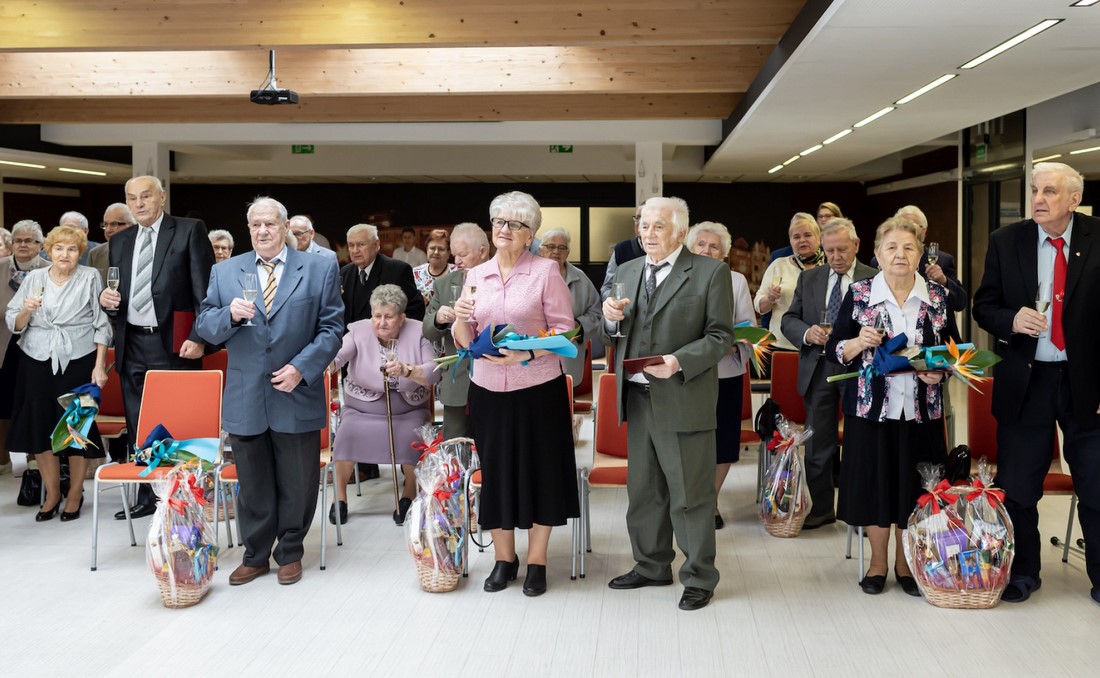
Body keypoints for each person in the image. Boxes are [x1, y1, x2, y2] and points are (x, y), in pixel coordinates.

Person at [195, 196, 343, 587]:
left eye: (270, 224)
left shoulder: (318, 268)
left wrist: (301, 368)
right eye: (255, 225)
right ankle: (256, 555)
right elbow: (205, 325)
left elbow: (332, 330)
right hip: (246, 393)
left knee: (298, 480)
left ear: (285, 227)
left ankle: (290, 551)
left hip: (295, 390)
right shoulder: (225, 271)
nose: (262, 231)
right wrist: (228, 315)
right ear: (248, 229)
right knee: (253, 482)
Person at [973, 161, 1100, 606]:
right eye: (1034, 190)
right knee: (1020, 487)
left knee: (1096, 483)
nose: (1038, 199)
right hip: (1028, 382)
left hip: (1087, 383)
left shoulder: (1098, 237)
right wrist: (1012, 320)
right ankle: (1024, 572)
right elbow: (983, 306)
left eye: (1050, 191)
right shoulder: (1006, 241)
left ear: (1074, 199)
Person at [602, 196, 734, 611]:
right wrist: (610, 319)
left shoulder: (711, 272)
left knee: (690, 495)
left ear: (680, 232)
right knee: (644, 492)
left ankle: (699, 576)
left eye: (658, 226)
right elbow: (613, 334)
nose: (648, 233)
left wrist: (678, 361)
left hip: (683, 396)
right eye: (644, 225)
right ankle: (651, 565)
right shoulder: (626, 270)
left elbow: (720, 337)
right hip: (637, 398)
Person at [452, 191, 579, 597]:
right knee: (497, 473)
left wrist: (527, 353)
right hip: (488, 390)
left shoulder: (546, 272)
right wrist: (460, 320)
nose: (504, 229)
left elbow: (566, 331)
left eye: (516, 224)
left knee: (542, 471)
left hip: (539, 390)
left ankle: (537, 560)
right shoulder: (476, 275)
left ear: (530, 234)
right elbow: (464, 340)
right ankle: (504, 559)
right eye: (499, 222)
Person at [825, 217, 957, 596]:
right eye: (892, 248)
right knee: (875, 485)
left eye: (908, 248)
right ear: (878, 254)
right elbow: (834, 348)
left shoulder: (937, 297)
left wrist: (939, 372)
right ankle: (878, 563)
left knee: (913, 487)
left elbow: (953, 351)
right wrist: (858, 343)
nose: (900, 254)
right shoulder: (860, 293)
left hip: (922, 411)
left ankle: (906, 563)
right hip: (871, 410)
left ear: (920, 254)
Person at [98, 175, 214, 520]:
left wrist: (199, 336)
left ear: (162, 197)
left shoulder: (189, 231)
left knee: (179, 420)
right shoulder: (120, 240)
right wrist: (108, 302)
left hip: (176, 343)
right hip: (132, 341)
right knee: (139, 421)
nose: (139, 204)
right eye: (132, 198)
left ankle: (184, 495)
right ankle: (148, 494)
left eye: (146, 196)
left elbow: (205, 291)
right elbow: (118, 293)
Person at [5, 225, 111, 521]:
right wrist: (26, 311)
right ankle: (52, 494)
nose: (65, 254)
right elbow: (14, 321)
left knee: (75, 431)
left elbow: (102, 323)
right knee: (39, 428)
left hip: (79, 358)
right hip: (35, 359)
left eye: (72, 249)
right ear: (49, 251)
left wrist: (99, 366)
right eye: (59, 248)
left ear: (81, 252)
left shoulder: (90, 276)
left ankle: (75, 493)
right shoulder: (34, 278)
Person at [781, 218, 876, 529]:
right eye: (830, 250)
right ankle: (821, 509)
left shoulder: (875, 278)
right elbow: (789, 319)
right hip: (819, 366)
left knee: (861, 444)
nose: (836, 257)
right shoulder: (810, 278)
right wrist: (807, 333)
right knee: (818, 443)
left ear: (857, 245)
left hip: (859, 369)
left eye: (842, 250)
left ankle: (862, 513)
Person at [329, 284, 440, 525]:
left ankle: (408, 493)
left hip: (408, 409)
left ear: (402, 317)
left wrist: (407, 370)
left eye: (389, 316)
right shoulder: (358, 331)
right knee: (347, 432)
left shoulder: (418, 332)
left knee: (411, 435)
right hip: (361, 409)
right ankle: (340, 497)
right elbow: (337, 356)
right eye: (376, 316)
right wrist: (327, 363)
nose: (381, 322)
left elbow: (434, 370)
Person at [685, 221, 754, 530]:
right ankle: (689, 499)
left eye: (714, 246)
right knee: (690, 439)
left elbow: (749, 329)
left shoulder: (736, 281)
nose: (707, 250)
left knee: (723, 441)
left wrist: (733, 345)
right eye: (701, 244)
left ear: (724, 253)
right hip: (686, 374)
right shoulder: (678, 278)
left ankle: (710, 502)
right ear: (690, 248)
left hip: (725, 373)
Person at [423, 223, 491, 439]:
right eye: (454, 255)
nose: (457, 261)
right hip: (457, 379)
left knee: (493, 442)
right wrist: (438, 319)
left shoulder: (502, 280)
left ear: (483, 251)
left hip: (496, 377)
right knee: (454, 444)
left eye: (462, 255)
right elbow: (427, 329)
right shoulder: (444, 284)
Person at [1, 220, 48, 474]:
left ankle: (35, 456)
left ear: (40, 245)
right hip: (3, 341)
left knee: (35, 399)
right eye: (18, 240)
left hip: (38, 344)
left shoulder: (50, 269)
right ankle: (2, 458)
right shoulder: (0, 267)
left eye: (29, 240)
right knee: (3, 399)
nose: (23, 245)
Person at [870, 205, 968, 313]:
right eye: (900, 225)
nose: (900, 255)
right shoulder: (879, 261)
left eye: (911, 226)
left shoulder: (943, 260)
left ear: (923, 231)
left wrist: (944, 281)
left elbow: (960, 303)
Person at [538, 228, 602, 385]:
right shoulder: (529, 276)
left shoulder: (580, 278)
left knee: (566, 394)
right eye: (550, 246)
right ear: (541, 250)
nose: (556, 251)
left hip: (568, 357)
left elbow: (596, 313)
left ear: (567, 253)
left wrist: (577, 326)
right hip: (535, 355)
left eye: (562, 247)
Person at [754, 212, 824, 350]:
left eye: (808, 235)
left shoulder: (830, 267)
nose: (802, 240)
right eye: (796, 237)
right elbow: (759, 306)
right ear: (791, 241)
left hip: (819, 347)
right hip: (781, 346)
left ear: (819, 238)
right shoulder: (778, 265)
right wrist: (770, 298)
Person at [341, 223, 425, 327]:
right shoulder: (345, 272)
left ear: (376, 245)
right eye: (351, 245)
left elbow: (416, 311)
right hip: (350, 336)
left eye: (361, 244)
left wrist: (392, 330)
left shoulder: (398, 271)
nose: (355, 250)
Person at [600, 205, 644, 300]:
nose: (639, 222)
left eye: (644, 217)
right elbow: (607, 287)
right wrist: (614, 301)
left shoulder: (667, 251)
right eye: (637, 218)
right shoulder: (622, 249)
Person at [88, 203, 136, 284]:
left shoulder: (145, 251)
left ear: (132, 226)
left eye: (114, 224)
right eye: (105, 225)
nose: (108, 230)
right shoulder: (95, 254)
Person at [412, 229, 458, 304]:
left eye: (441, 249)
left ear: (449, 252)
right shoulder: (415, 273)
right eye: (432, 248)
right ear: (427, 250)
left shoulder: (457, 273)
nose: (436, 252)